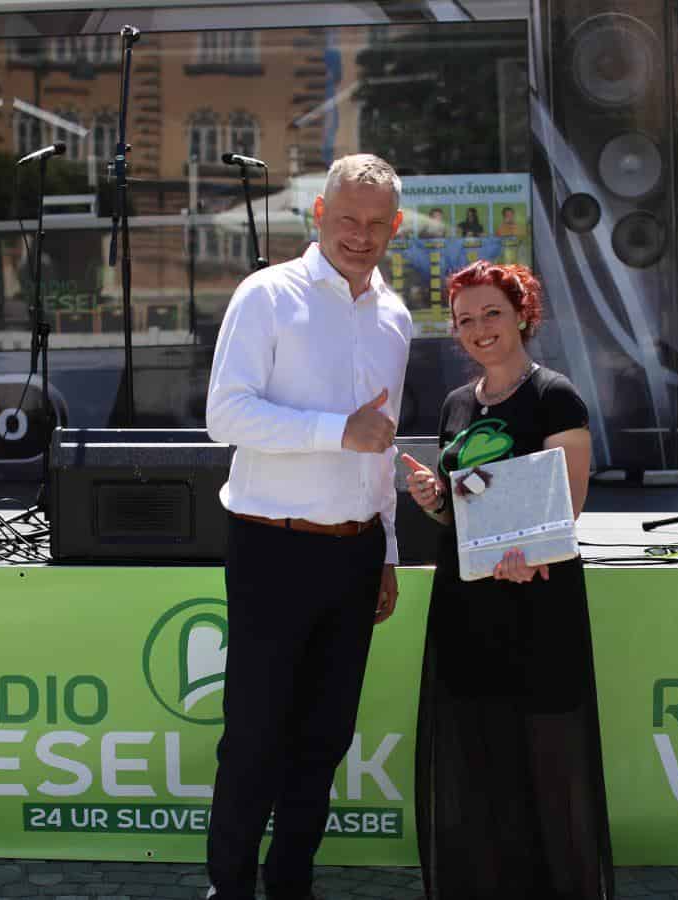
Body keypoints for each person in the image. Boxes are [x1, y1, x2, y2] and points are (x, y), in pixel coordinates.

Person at [203, 153, 411, 900]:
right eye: (347, 218)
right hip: (272, 546)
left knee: (324, 738)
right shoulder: (266, 295)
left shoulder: (396, 317)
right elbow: (224, 415)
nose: (361, 235)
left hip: (355, 555)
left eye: (376, 223)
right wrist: (335, 431)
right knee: (255, 737)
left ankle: (291, 882)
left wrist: (387, 550)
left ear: (395, 227)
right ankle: (229, 889)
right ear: (318, 214)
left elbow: (380, 445)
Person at [402, 260, 614, 900]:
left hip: (536, 602)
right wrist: (433, 500)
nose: (479, 328)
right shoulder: (455, 403)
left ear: (523, 314)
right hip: (465, 602)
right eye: (465, 319)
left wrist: (527, 550)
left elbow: (568, 505)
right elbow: (460, 513)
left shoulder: (555, 396)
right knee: (475, 754)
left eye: (492, 312)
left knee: (546, 759)